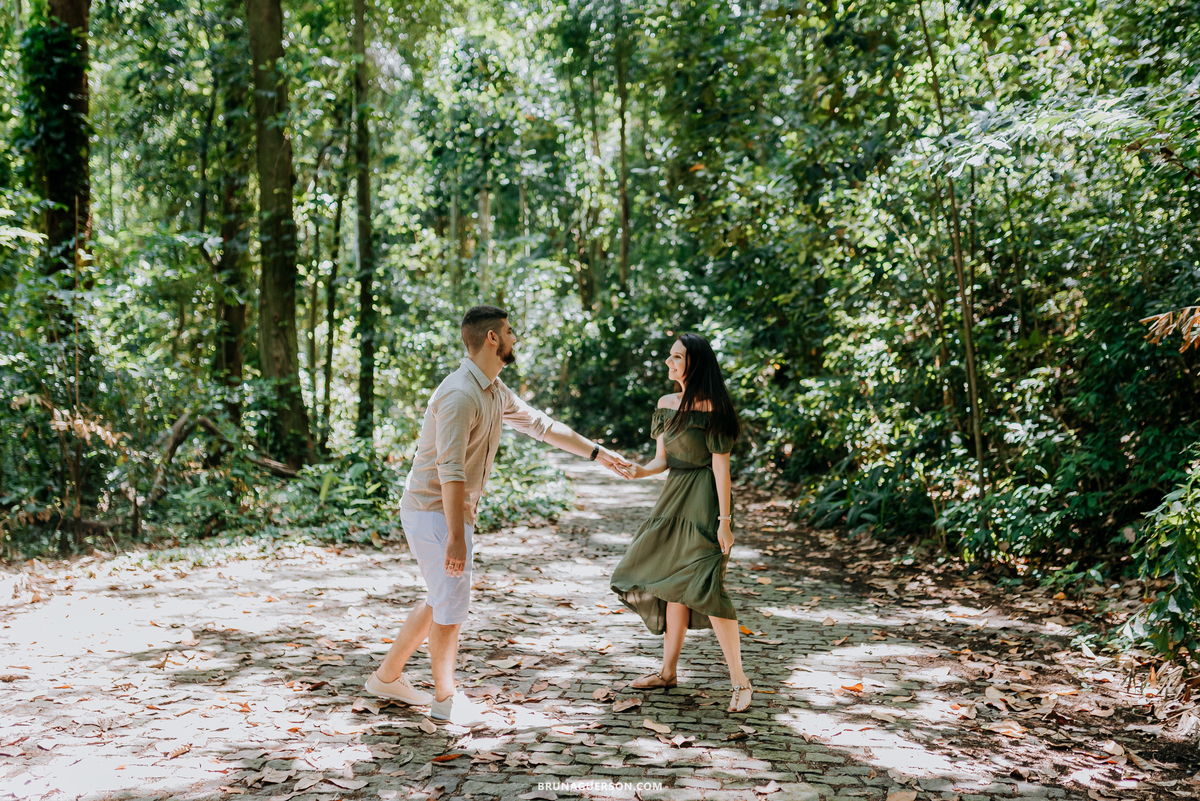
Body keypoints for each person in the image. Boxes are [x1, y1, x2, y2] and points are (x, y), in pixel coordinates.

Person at [364, 304, 632, 726]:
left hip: (446, 514)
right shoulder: (459, 393)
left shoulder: (492, 389)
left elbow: (541, 425)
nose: (513, 337)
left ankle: (387, 677)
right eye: (509, 330)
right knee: (451, 604)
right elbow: (448, 471)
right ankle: (445, 698)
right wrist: (455, 535)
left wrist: (598, 454)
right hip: (435, 512)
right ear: (493, 338)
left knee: (440, 596)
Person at [610, 333, 752, 713]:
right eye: (670, 356)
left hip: (705, 501)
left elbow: (721, 472)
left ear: (695, 363)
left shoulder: (716, 407)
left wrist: (725, 522)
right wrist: (637, 472)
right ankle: (667, 672)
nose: (669, 363)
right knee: (671, 583)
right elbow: (662, 461)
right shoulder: (666, 403)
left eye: (677, 357)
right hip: (673, 498)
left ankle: (740, 682)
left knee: (707, 588)